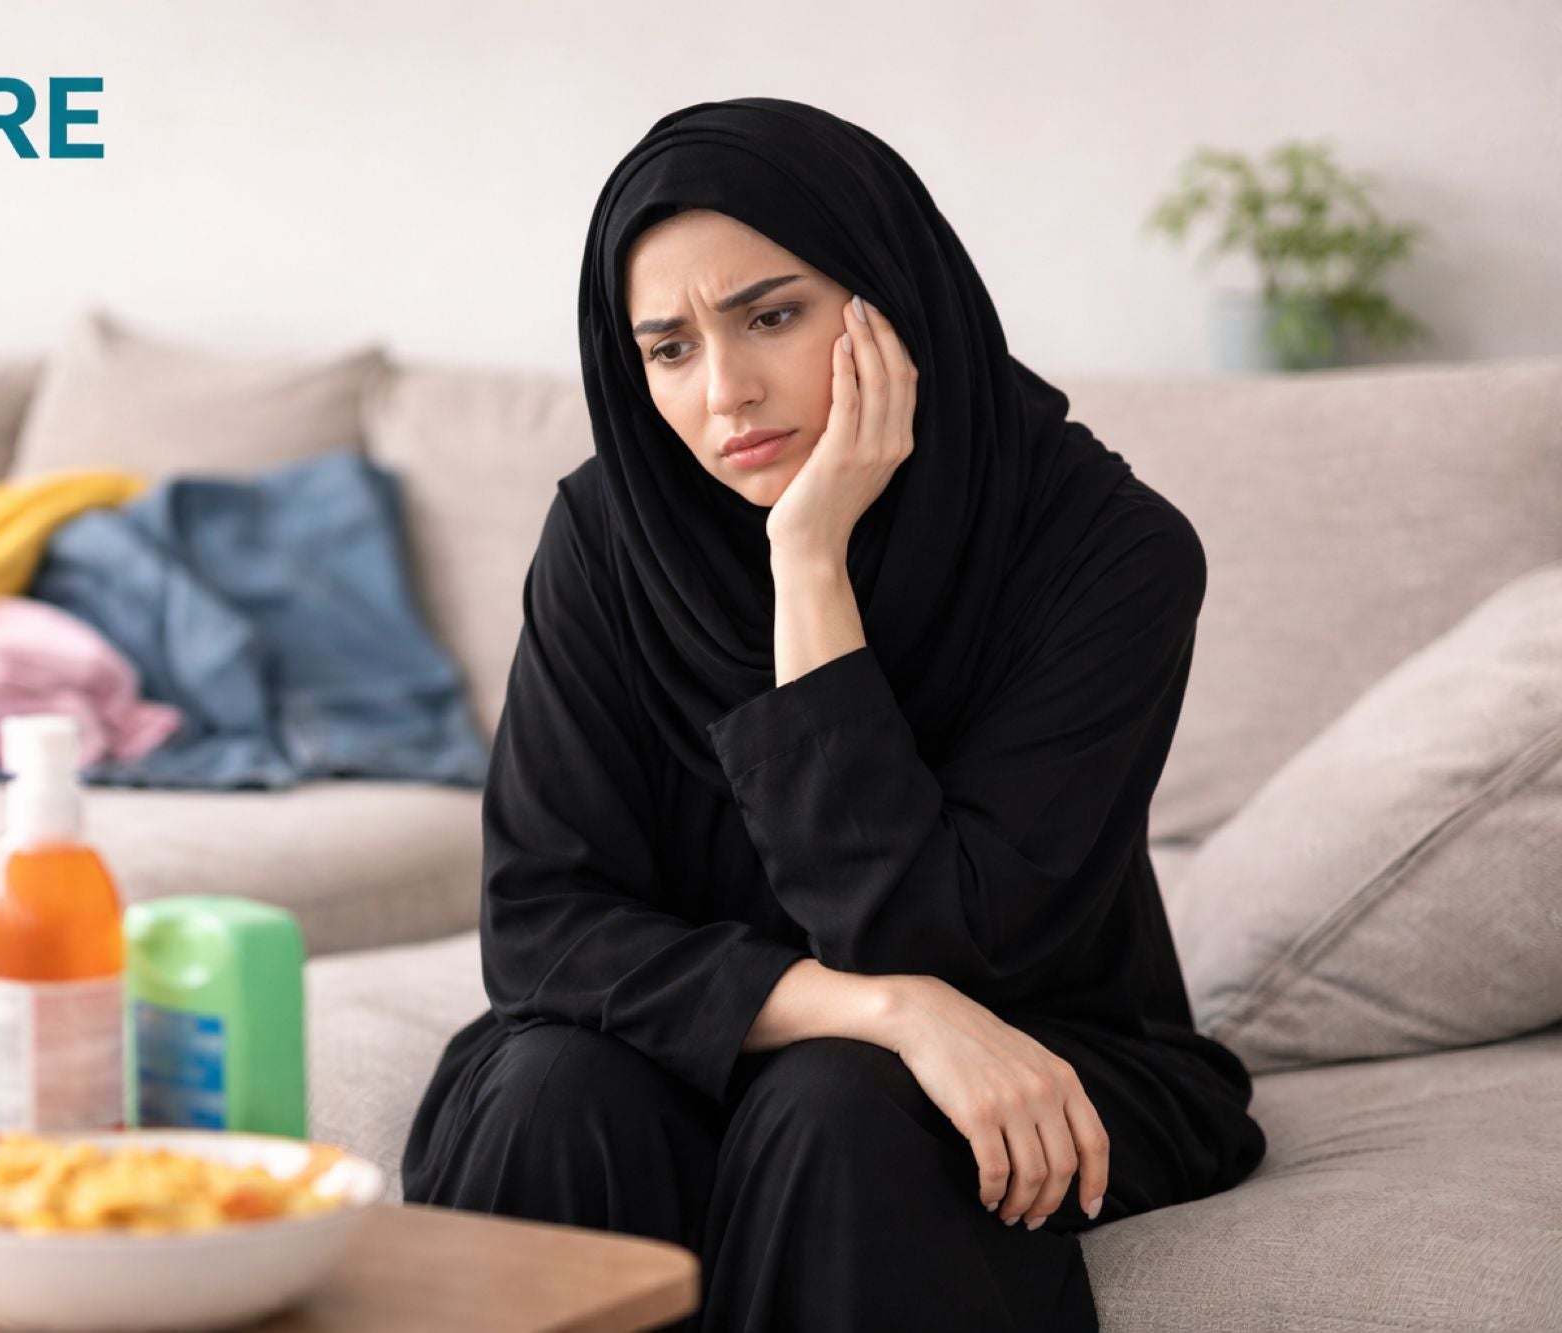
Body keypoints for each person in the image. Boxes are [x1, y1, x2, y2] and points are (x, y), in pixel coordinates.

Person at [400, 96, 1267, 1332]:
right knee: (547, 1091)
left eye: (771, 315)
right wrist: (877, 1008)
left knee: (842, 1103)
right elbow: (542, 926)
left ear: (889, 292)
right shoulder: (610, 532)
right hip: (706, 1030)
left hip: (1027, 1040)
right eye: (669, 350)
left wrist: (806, 561)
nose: (725, 394)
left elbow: (938, 942)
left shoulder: (1106, 551)